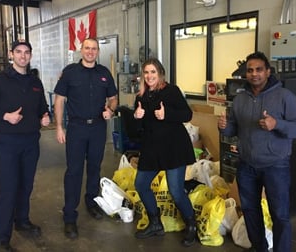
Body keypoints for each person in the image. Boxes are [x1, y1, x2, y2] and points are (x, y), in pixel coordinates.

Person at [218, 51, 296, 252]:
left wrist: (277, 124)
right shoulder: (240, 99)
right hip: (247, 165)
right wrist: (224, 127)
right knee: (250, 211)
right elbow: (233, 129)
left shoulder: (285, 96)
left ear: (268, 72)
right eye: (250, 70)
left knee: (280, 215)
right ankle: (260, 248)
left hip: (276, 166)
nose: (254, 74)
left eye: (259, 69)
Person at [0, 40, 51, 252]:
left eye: (26, 52)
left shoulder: (35, 82)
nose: (22, 56)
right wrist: (5, 116)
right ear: (11, 54)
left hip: (31, 142)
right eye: (18, 52)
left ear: (30, 55)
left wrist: (45, 116)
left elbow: (42, 107)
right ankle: (2, 238)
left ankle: (22, 221)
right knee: (9, 189)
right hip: (9, 142)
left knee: (26, 185)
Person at [53, 38, 118, 239]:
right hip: (76, 127)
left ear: (98, 52)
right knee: (74, 171)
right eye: (87, 48)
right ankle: (70, 216)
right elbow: (59, 100)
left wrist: (111, 109)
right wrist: (59, 127)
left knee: (94, 168)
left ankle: (92, 202)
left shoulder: (104, 73)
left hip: (98, 127)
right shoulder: (70, 72)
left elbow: (113, 98)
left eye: (94, 49)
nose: (90, 52)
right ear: (81, 50)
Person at [133, 58, 197, 246]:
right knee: (141, 184)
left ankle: (191, 225)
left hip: (173, 147)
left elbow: (187, 115)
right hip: (151, 148)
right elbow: (138, 130)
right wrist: (137, 118)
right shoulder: (141, 97)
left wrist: (166, 114)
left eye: (153, 72)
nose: (149, 76)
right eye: (146, 72)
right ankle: (155, 223)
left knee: (176, 191)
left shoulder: (171, 91)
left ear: (160, 73)